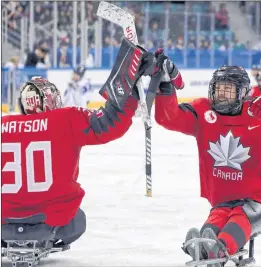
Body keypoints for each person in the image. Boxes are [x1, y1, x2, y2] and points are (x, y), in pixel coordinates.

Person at [153, 51, 261, 266]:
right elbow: (168, 117)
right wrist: (165, 85)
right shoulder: (202, 112)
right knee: (209, 229)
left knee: (235, 226)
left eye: (228, 90)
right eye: (218, 89)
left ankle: (218, 250)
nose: (221, 95)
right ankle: (205, 249)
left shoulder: (256, 113)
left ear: (241, 93)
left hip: (258, 203)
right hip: (222, 203)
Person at [1, 39, 152, 249]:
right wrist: (130, 77)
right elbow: (111, 122)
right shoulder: (66, 118)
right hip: (52, 218)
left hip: (3, 220)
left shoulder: (3, 123)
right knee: (78, 220)